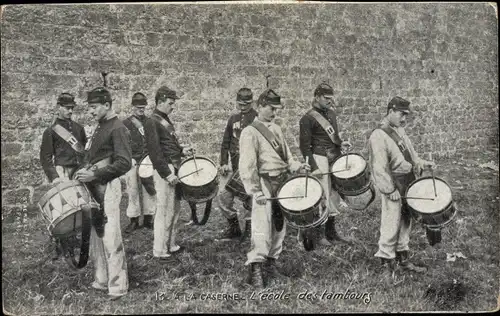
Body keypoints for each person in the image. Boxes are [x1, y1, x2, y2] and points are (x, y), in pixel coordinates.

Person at [239, 89, 311, 288]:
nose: (274, 113)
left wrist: (298, 166)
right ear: (259, 106)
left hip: (282, 181)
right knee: (262, 226)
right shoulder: (250, 132)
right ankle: (255, 270)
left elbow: (287, 157)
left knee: (279, 227)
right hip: (263, 182)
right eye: (271, 108)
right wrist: (255, 191)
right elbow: (247, 166)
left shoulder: (277, 129)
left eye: (277, 109)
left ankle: (271, 264)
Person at [74, 87, 131, 300]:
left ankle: (118, 285)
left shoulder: (117, 127)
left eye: (94, 107)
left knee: (110, 234)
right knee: (97, 234)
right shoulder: (101, 127)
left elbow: (124, 163)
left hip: (108, 185)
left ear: (107, 105)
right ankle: (101, 279)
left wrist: (95, 175)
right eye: (89, 107)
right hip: (96, 185)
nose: (90, 111)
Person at [368, 96, 436, 275]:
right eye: (401, 114)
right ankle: (386, 261)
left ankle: (403, 258)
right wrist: (389, 189)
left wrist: (421, 163)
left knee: (406, 220)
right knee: (391, 221)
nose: (404, 119)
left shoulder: (400, 131)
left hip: (408, 179)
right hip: (393, 182)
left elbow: (411, 156)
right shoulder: (379, 135)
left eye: (406, 115)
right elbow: (378, 167)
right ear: (390, 111)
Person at [143, 86, 194, 261]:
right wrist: (167, 174)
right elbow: (155, 152)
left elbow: (168, 145)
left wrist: (182, 150)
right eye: (170, 103)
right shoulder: (152, 121)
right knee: (163, 210)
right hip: (166, 171)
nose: (173, 107)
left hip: (173, 168)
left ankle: (170, 244)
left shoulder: (164, 119)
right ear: (160, 102)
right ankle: (159, 249)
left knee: (175, 209)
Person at [299, 83, 352, 246]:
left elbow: (332, 138)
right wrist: (314, 168)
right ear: (317, 97)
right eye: (326, 98)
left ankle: (331, 232)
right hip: (319, 157)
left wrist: (341, 144)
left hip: (333, 156)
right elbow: (304, 146)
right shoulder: (307, 118)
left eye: (331, 98)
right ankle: (319, 235)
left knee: (335, 195)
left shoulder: (331, 114)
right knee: (322, 195)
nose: (330, 101)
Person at [39, 92, 87, 260]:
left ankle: (76, 238)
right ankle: (62, 244)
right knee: (64, 208)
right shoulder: (51, 131)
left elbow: (84, 152)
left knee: (78, 206)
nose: (70, 111)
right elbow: (45, 158)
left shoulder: (79, 128)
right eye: (67, 108)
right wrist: (55, 177)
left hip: (77, 170)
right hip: (62, 171)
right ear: (58, 108)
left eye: (72, 108)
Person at [217, 87, 258, 240]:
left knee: (250, 197)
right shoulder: (233, 119)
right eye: (240, 104)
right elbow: (225, 142)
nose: (242, 107)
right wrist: (223, 163)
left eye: (246, 104)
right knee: (222, 195)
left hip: (250, 167)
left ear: (252, 103)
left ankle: (249, 229)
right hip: (233, 166)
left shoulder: (258, 119)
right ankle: (233, 227)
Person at [122, 92, 156, 233]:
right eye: (138, 107)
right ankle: (134, 220)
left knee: (148, 189)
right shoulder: (125, 123)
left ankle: (148, 219)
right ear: (133, 107)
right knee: (132, 190)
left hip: (147, 159)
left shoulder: (149, 122)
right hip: (132, 160)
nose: (141, 110)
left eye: (143, 107)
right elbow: (123, 143)